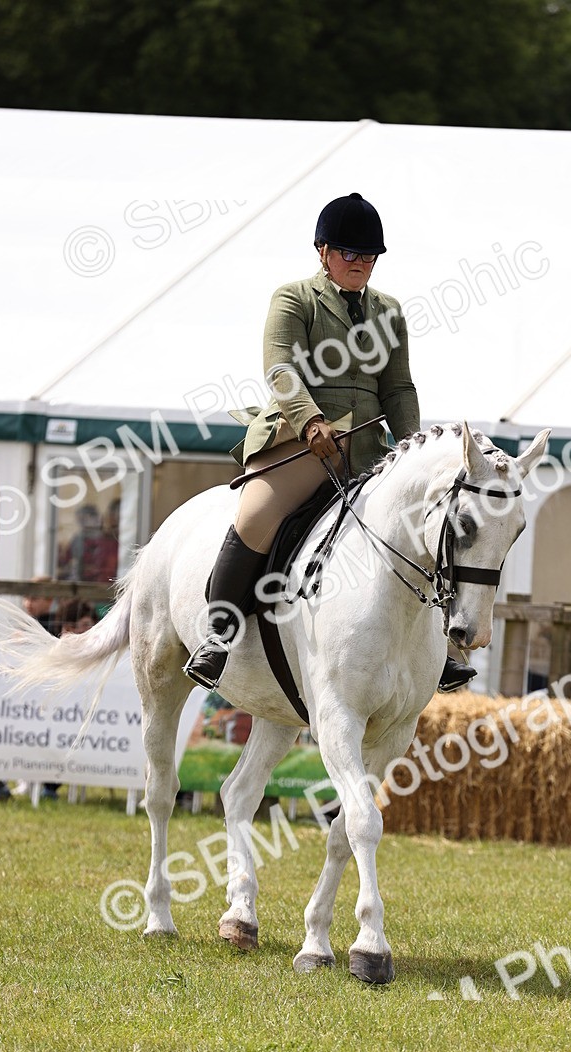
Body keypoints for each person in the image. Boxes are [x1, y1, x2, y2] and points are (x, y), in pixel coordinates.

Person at [184, 192, 476, 695]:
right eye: (349, 255)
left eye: (369, 257)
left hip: (368, 449)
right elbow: (280, 369)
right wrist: (311, 420)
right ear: (322, 252)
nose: (361, 265)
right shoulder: (295, 298)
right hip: (303, 440)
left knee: (424, 525)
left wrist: (415, 450)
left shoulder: (390, 310)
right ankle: (217, 635)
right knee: (256, 515)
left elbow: (398, 387)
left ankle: (437, 647)